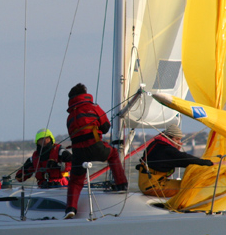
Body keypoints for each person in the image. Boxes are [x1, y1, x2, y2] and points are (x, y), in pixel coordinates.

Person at [64, 83, 129, 219]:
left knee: (75, 180)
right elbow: (105, 127)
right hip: (95, 147)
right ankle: (121, 185)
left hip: (78, 152)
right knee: (113, 154)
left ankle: (70, 209)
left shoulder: (70, 117)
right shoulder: (93, 107)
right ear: (84, 94)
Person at [137, 124, 214, 197]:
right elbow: (185, 159)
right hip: (153, 186)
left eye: (180, 139)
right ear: (168, 137)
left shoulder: (156, 144)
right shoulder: (166, 150)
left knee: (188, 184)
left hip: (148, 184)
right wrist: (210, 164)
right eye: (177, 139)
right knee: (191, 188)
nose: (178, 142)